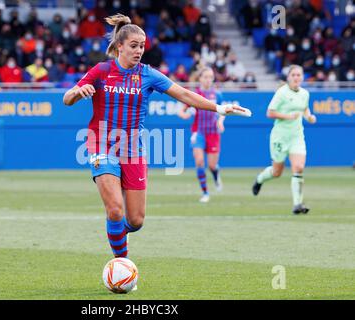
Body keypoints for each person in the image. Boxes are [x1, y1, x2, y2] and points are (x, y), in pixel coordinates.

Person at [63, 14, 248, 261]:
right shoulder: (101, 71)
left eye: (142, 46)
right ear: (120, 46)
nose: (139, 51)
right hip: (101, 144)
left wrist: (219, 108)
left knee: (136, 221)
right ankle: (122, 265)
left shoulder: (148, 74)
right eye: (133, 46)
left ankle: (118, 233)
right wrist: (78, 92)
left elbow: (183, 94)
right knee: (116, 210)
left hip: (132, 148)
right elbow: (67, 99)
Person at [252, 65, 317, 214]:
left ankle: (297, 204)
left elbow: (304, 109)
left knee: (299, 167)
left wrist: (309, 116)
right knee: (276, 172)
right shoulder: (281, 93)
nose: (296, 77)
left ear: (302, 77)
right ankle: (260, 179)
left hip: (297, 136)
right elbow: (270, 113)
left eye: (298, 75)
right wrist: (288, 116)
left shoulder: (305, 94)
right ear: (288, 77)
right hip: (280, 137)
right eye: (293, 75)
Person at [178, 67, 225, 203]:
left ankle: (216, 174)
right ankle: (205, 193)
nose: (208, 80)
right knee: (199, 161)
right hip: (198, 132)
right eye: (205, 77)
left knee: (212, 165)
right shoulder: (195, 94)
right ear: (200, 79)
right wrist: (184, 115)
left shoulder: (218, 95)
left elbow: (223, 112)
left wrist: (221, 122)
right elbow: (181, 111)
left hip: (213, 133)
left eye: (211, 77)